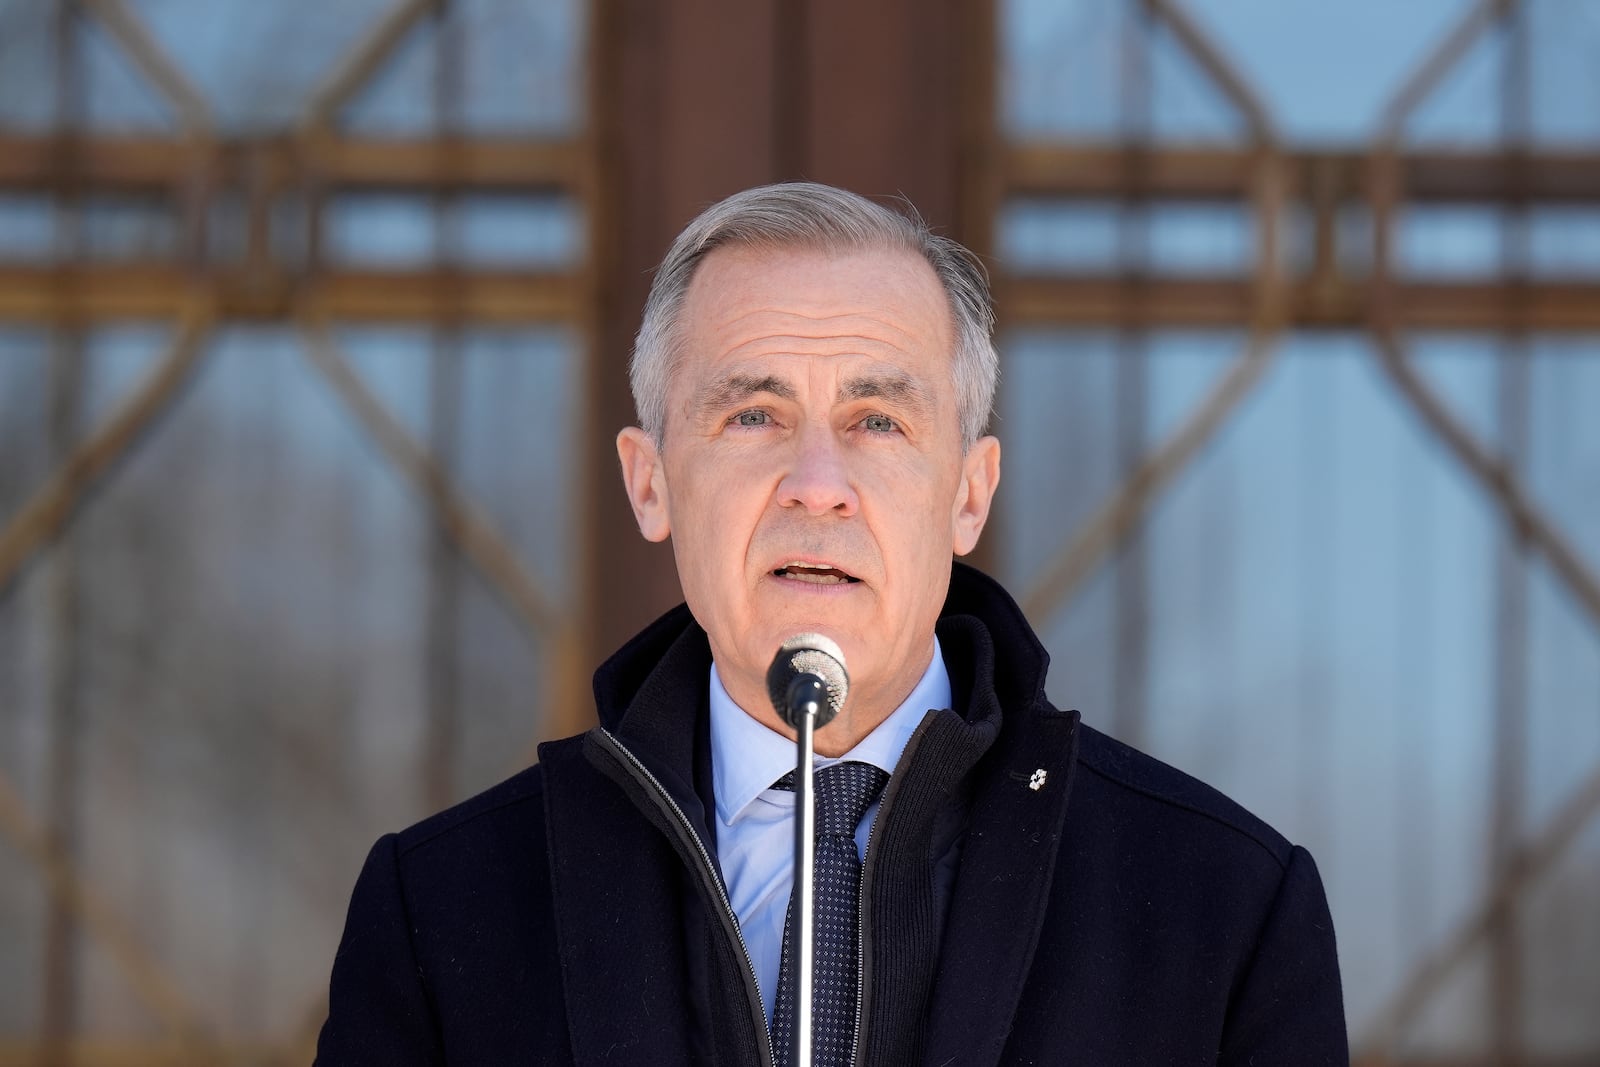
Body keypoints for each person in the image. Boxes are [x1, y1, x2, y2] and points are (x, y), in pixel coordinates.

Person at [315, 182, 1347, 1065]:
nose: (817, 485)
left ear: (968, 496)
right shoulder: (443, 909)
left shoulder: (1224, 907)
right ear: (649, 481)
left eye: (878, 421)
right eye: (752, 413)